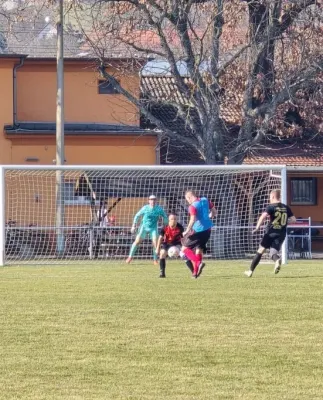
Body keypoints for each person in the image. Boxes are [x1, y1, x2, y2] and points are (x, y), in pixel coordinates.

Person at [244, 189, 296, 277]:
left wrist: (257, 227)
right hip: (281, 233)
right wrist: (284, 222)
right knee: (273, 252)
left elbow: (263, 216)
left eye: (269, 197)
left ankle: (250, 271)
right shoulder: (286, 207)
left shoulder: (271, 207)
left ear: (272, 196)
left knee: (261, 250)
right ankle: (277, 260)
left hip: (271, 232)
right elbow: (294, 220)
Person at [181, 190, 217, 278]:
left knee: (184, 249)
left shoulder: (192, 206)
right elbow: (214, 211)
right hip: (208, 230)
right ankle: (195, 274)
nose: (187, 201)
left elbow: (192, 220)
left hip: (198, 230)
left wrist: (186, 230)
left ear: (189, 197)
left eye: (187, 199)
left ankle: (198, 262)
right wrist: (209, 216)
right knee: (198, 250)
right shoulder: (205, 200)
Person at [126, 195, 168, 265]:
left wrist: (165, 223)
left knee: (155, 243)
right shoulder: (145, 208)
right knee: (137, 242)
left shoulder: (159, 209)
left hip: (153, 228)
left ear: (156, 201)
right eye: (151, 199)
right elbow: (137, 215)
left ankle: (155, 260)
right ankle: (130, 257)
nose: (153, 201)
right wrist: (134, 225)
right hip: (143, 227)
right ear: (149, 201)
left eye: (154, 199)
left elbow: (165, 216)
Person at [156, 214, 184, 278]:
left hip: (177, 243)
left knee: (183, 255)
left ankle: (193, 271)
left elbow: (183, 238)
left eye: (175, 219)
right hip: (167, 243)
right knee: (162, 254)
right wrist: (157, 248)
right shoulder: (165, 227)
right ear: (169, 220)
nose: (173, 220)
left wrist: (183, 247)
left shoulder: (180, 227)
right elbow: (160, 238)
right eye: (172, 219)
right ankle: (162, 273)